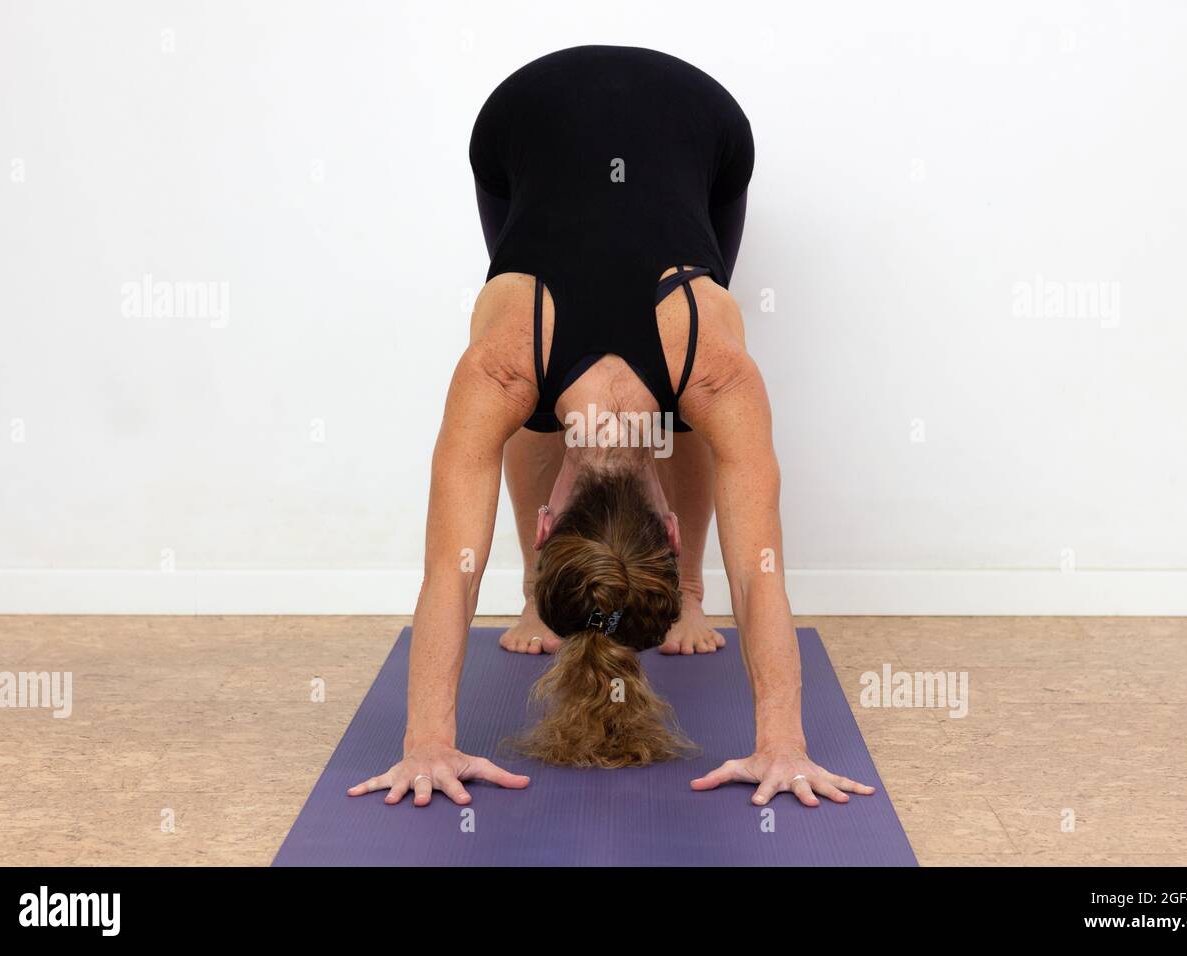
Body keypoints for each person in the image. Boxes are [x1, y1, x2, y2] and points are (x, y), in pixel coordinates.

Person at [349, 45, 874, 808]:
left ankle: (684, 591)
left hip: (641, 118)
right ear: (543, 531)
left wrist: (428, 743)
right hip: (555, 118)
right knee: (629, 401)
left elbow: (451, 568)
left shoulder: (509, 367)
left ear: (541, 528)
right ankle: (561, 601)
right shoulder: (703, 366)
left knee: (571, 395)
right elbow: (760, 570)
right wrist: (780, 745)